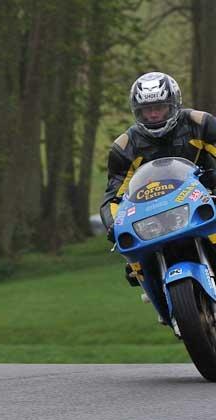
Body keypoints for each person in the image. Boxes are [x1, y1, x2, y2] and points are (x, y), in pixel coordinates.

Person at [100, 72, 216, 285]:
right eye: (147, 110)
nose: (153, 115)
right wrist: (113, 224)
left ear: (174, 104)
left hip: (207, 194)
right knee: (137, 267)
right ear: (137, 111)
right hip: (153, 212)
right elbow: (112, 198)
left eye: (159, 107)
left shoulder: (200, 123)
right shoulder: (125, 147)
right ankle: (154, 288)